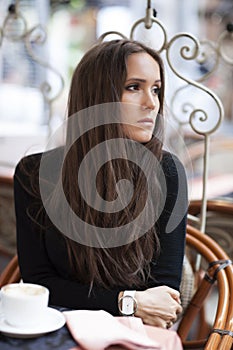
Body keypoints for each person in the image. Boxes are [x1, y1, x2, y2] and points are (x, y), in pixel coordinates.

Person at [14, 39, 188, 330]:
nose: (152, 103)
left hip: (135, 337)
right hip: (57, 331)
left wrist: (122, 304)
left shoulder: (167, 172)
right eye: (134, 87)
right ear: (97, 96)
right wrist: (127, 301)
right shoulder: (34, 174)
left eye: (156, 89)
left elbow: (163, 300)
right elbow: (39, 284)